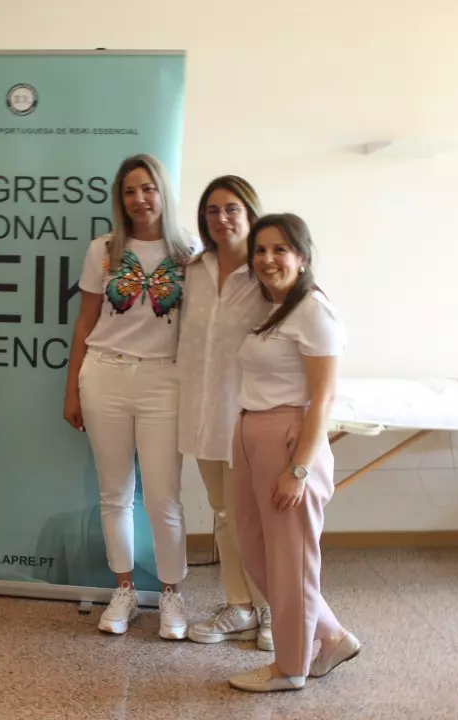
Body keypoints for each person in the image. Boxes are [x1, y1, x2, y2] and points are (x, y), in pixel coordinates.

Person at [62, 153, 200, 639]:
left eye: (148, 188)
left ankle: (171, 595)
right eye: (129, 191)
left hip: (165, 380)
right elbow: (85, 322)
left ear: (163, 192)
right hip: (105, 375)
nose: (140, 199)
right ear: (119, 200)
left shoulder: (189, 253)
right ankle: (123, 590)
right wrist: (72, 389)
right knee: (115, 493)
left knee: (163, 497)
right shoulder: (103, 250)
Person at [226, 213, 361, 692]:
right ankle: (332, 636)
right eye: (260, 250)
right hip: (251, 432)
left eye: (280, 249)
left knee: (291, 561)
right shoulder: (272, 308)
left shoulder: (313, 311)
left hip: (288, 438)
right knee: (256, 552)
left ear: (302, 257)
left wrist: (298, 469)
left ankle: (290, 668)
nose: (268, 259)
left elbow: (323, 398)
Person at [176, 176, 274, 650]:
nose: (221, 218)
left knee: (254, 516)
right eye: (212, 210)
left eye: (232, 209)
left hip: (250, 413)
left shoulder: (266, 273)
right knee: (223, 511)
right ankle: (239, 606)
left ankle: (272, 609)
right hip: (201, 409)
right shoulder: (193, 270)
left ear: (250, 214)